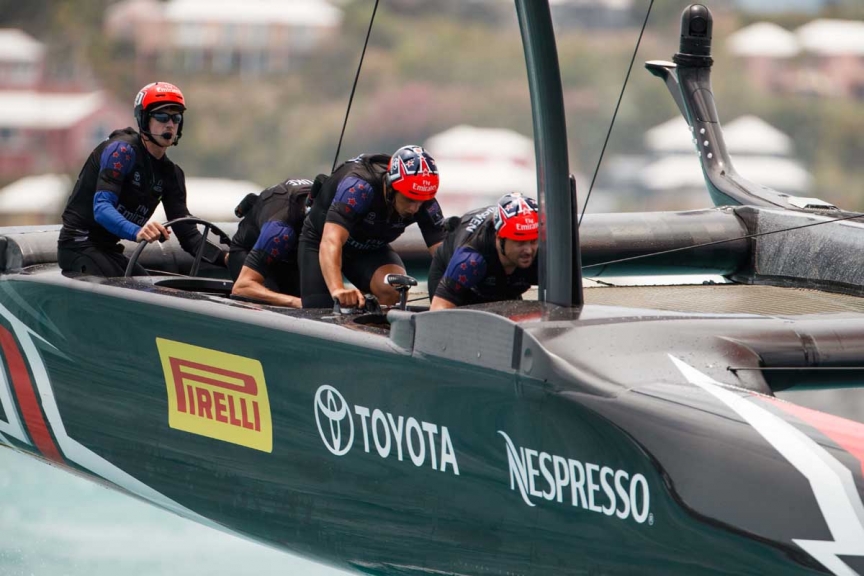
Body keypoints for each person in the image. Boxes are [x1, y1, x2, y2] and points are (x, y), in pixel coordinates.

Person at [58, 81, 225, 277]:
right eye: (162, 117)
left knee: (150, 288)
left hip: (108, 250)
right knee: (136, 290)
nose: (170, 124)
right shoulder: (121, 151)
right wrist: (138, 231)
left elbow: (188, 235)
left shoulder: (172, 174)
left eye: (176, 118)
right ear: (144, 119)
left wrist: (226, 259)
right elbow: (101, 208)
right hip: (78, 245)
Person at [299, 145, 446, 308]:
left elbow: (443, 256)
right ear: (392, 186)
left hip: (368, 248)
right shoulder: (360, 187)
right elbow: (330, 241)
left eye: (421, 201)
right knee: (320, 308)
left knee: (394, 288)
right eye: (409, 199)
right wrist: (338, 290)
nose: (415, 208)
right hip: (322, 240)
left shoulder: (423, 198)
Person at [427, 193, 539, 310]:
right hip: (457, 274)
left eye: (533, 241)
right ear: (499, 238)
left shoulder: (542, 255)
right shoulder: (471, 260)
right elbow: (438, 309)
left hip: (502, 282)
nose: (528, 250)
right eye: (520, 243)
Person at [227, 178, 313, 307]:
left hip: (288, 255)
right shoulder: (279, 232)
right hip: (250, 252)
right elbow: (241, 288)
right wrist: (296, 302)